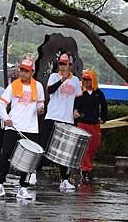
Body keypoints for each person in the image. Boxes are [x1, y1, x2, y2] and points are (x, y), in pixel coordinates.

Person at [0, 59, 45, 199]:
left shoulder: (38, 86)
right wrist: (6, 118)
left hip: (31, 128)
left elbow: (40, 104)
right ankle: (0, 185)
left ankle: (23, 188)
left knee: (30, 160)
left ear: (32, 72)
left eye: (26, 70)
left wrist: (40, 109)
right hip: (13, 127)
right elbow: (1, 104)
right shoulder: (13, 86)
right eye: (21, 70)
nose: (23, 73)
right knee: (5, 156)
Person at [40, 53, 82, 190]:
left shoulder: (75, 80)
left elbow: (78, 98)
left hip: (66, 118)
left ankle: (64, 179)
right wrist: (62, 80)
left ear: (70, 65)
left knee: (64, 151)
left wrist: (76, 110)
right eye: (61, 64)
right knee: (43, 144)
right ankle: (33, 172)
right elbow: (50, 91)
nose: (63, 66)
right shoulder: (54, 76)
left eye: (65, 64)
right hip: (52, 116)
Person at [75, 70, 108, 182]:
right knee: (85, 147)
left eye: (89, 79)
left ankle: (87, 165)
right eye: (85, 79)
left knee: (94, 144)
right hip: (83, 123)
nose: (87, 82)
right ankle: (86, 169)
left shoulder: (99, 93)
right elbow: (75, 105)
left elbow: (104, 106)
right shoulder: (80, 92)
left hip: (94, 123)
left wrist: (103, 118)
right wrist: (75, 111)